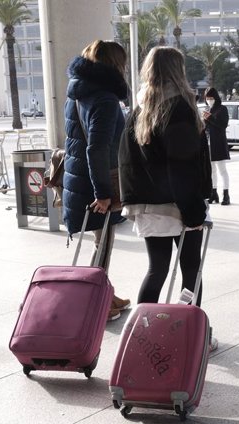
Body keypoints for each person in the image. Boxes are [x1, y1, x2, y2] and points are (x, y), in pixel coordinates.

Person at [117, 46, 216, 350]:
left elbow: (126, 160)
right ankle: (191, 338)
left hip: (148, 205)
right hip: (177, 203)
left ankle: (139, 337)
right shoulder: (179, 107)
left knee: (157, 269)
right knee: (190, 269)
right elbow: (181, 164)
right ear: (178, 70)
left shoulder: (139, 108)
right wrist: (194, 211)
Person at [63, 39, 130, 321]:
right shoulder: (104, 98)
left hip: (80, 179)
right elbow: (97, 147)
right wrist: (103, 192)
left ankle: (104, 292)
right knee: (103, 243)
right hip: (99, 182)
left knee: (99, 240)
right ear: (116, 65)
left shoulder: (78, 93)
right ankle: (94, 305)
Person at [203, 87, 231, 205]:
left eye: (211, 97)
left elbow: (222, 125)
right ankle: (213, 193)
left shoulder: (222, 109)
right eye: (207, 98)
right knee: (211, 170)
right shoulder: (208, 109)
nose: (209, 100)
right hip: (209, 143)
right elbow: (207, 127)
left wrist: (209, 118)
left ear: (215, 98)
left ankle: (226, 194)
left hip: (218, 143)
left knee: (222, 170)